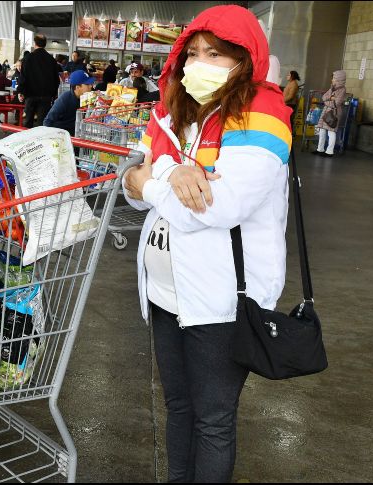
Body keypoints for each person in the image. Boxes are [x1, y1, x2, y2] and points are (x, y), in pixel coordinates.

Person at [122, 5, 292, 482]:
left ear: (244, 58)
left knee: (212, 420)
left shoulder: (262, 117)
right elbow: (133, 191)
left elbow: (215, 208)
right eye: (192, 52)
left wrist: (154, 178)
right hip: (165, 292)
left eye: (215, 53)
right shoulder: (179, 113)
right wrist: (166, 174)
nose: (199, 63)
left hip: (220, 303)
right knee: (178, 407)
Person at [16, 34, 61, 128]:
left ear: (34, 43)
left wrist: (20, 91)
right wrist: (53, 94)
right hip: (46, 97)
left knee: (28, 121)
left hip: (30, 96)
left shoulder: (28, 58)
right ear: (45, 44)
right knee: (42, 123)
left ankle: (27, 140)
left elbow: (23, 77)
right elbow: (56, 80)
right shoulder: (51, 60)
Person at [43, 70, 95, 136]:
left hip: (76, 135)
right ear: (77, 87)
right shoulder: (65, 99)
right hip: (62, 137)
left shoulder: (87, 98)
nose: (91, 86)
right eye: (87, 84)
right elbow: (48, 121)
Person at [313, 70, 347, 157]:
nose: (332, 80)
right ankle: (320, 149)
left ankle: (329, 151)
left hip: (334, 112)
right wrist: (330, 98)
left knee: (331, 131)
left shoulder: (342, 90)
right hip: (327, 111)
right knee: (322, 131)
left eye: (334, 78)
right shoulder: (332, 88)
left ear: (338, 79)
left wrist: (327, 101)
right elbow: (324, 97)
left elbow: (336, 103)